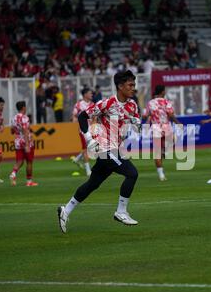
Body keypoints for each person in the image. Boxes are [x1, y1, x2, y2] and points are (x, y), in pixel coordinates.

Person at [57, 70, 141, 233]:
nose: (133, 88)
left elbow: (134, 123)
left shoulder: (133, 105)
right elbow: (82, 116)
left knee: (92, 184)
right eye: (130, 85)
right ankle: (121, 211)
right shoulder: (107, 103)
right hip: (104, 148)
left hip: (115, 148)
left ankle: (65, 210)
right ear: (120, 86)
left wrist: (136, 123)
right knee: (132, 173)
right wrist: (89, 139)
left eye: (134, 84)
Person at [143, 85, 181, 181]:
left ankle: (161, 175)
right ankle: (165, 151)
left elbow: (144, 116)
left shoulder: (150, 103)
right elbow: (171, 115)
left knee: (157, 154)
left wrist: (150, 116)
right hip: (166, 127)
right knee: (173, 141)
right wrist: (178, 123)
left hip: (156, 128)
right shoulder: (166, 102)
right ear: (163, 92)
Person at [9, 101, 38, 186]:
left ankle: (13, 173)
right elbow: (25, 131)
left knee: (19, 161)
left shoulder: (14, 118)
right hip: (26, 141)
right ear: (23, 108)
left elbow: (11, 130)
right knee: (29, 161)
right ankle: (29, 181)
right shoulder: (25, 118)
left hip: (18, 141)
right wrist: (27, 145)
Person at [71, 88, 94, 177]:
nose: (91, 95)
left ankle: (77, 159)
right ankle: (88, 170)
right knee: (85, 149)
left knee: (90, 148)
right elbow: (74, 115)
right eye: (90, 93)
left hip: (91, 130)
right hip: (83, 130)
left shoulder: (93, 104)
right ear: (85, 95)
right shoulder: (79, 104)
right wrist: (76, 121)